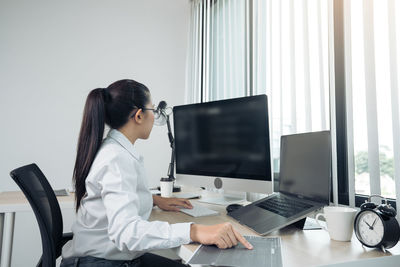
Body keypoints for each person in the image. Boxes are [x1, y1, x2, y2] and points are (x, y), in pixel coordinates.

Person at [61, 79, 252, 267]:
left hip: (103, 256)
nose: (154, 117)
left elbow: (114, 196)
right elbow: (127, 233)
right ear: (138, 116)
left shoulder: (113, 150)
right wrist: (194, 231)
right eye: (152, 110)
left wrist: (154, 200)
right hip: (100, 262)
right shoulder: (116, 158)